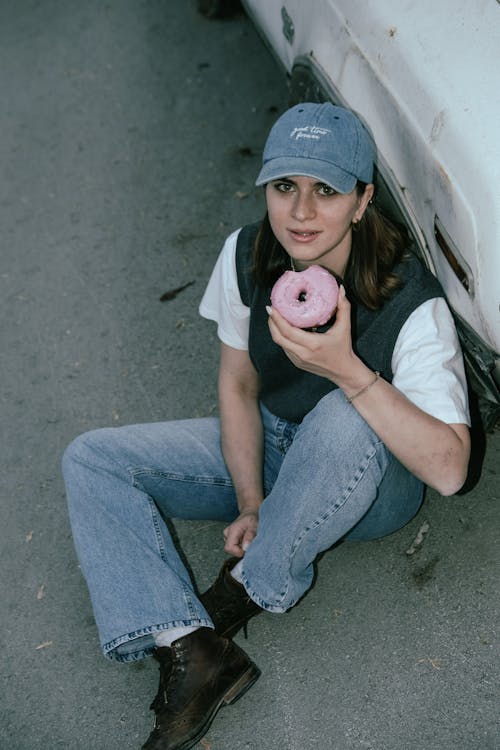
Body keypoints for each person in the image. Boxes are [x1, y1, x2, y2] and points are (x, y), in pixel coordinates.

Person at [62, 102, 471, 750]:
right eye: (285, 187)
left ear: (362, 202)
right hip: (277, 445)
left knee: (346, 413)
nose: (301, 213)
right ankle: (188, 643)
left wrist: (350, 372)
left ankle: (245, 589)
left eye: (326, 191)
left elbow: (449, 471)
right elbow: (238, 382)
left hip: (367, 484)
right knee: (93, 459)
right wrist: (252, 501)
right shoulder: (249, 253)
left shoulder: (408, 299)